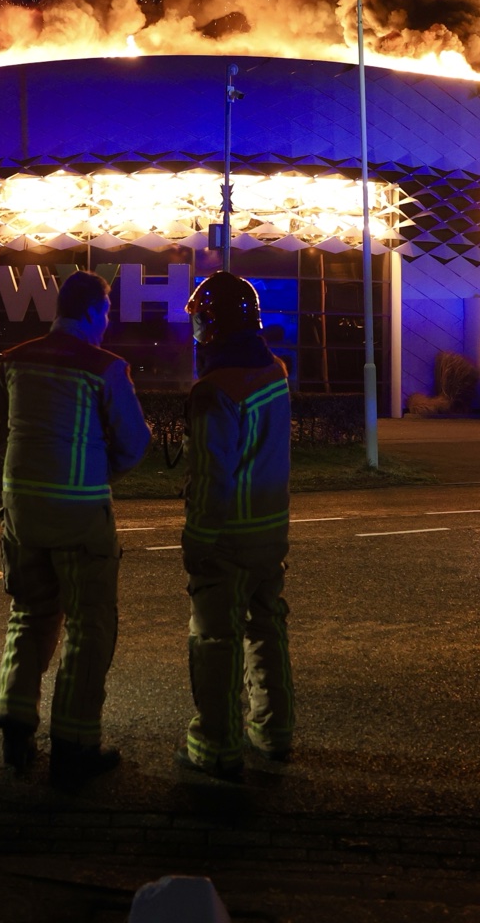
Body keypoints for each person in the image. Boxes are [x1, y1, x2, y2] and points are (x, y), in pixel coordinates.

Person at [0, 269, 152, 785]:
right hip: (80, 518)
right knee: (89, 625)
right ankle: (74, 745)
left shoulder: (13, 362)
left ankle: (16, 720)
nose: (107, 323)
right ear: (95, 311)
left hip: (21, 514)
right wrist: (100, 471)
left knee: (29, 614)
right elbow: (134, 442)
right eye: (107, 313)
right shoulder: (105, 368)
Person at [177, 271, 295, 781]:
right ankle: (274, 732)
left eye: (201, 322)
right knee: (266, 631)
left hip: (226, 539)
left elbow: (210, 478)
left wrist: (196, 540)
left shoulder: (214, 390)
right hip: (271, 532)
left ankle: (216, 744)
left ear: (213, 325)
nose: (198, 332)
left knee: (215, 641)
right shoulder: (275, 373)